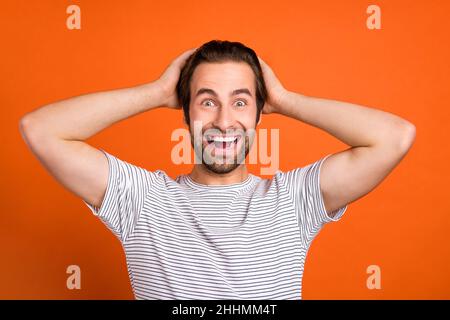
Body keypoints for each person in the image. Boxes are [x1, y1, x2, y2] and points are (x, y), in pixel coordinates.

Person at [19, 40, 415, 300]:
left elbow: (394, 137)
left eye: (241, 102)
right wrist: (156, 92)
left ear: (261, 113)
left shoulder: (295, 200)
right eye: (207, 101)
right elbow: (41, 129)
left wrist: (285, 99)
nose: (224, 121)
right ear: (185, 111)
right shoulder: (140, 199)